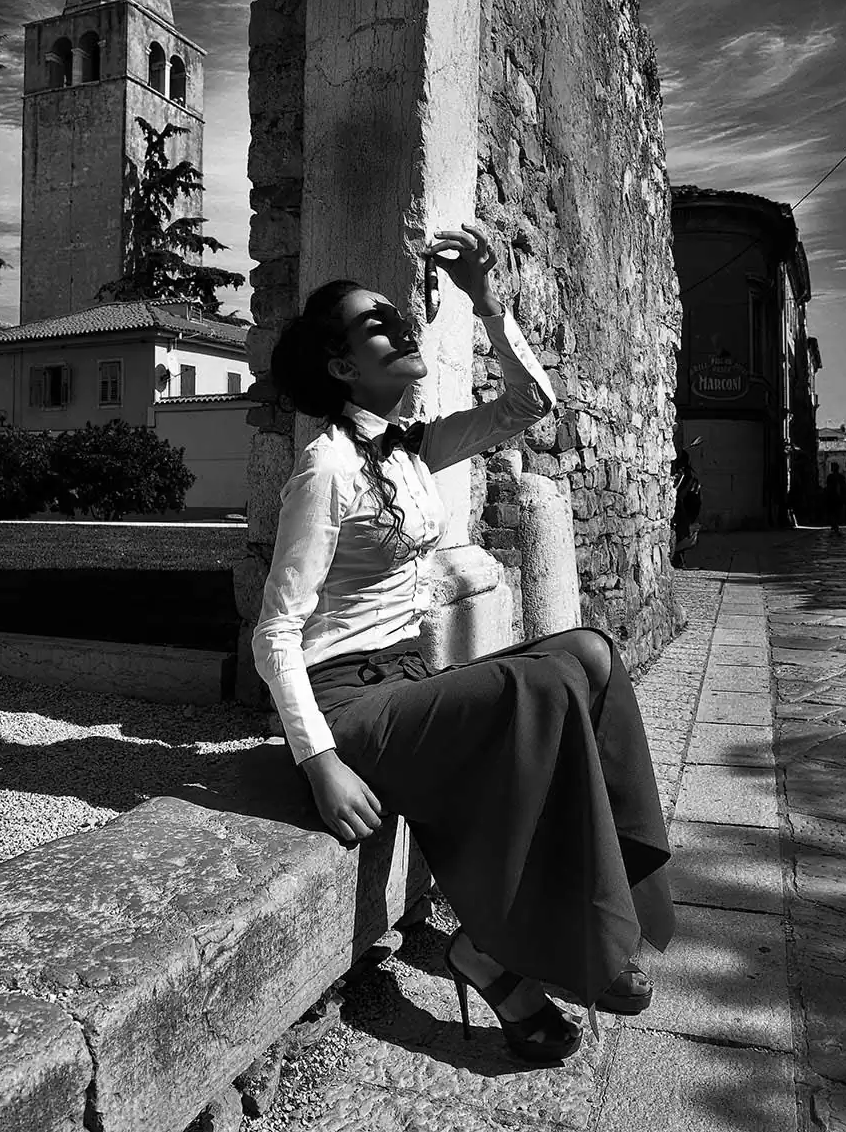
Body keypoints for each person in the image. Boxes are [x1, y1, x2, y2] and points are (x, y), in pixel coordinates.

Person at [253, 224, 674, 1065]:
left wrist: (486, 301)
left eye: (400, 314)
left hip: (411, 679)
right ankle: (528, 947)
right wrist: (319, 761)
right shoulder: (325, 468)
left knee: (590, 654)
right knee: (542, 687)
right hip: (352, 705)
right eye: (378, 324)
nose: (402, 326)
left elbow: (530, 406)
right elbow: (275, 629)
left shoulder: (412, 447)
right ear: (342, 366)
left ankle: (588, 911)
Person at [670, 450, 702, 569]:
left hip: (685, 515)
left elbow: (693, 502)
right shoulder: (682, 477)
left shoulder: (688, 479)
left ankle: (678, 556)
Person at [826, 461, 846, 534]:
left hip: (832, 497)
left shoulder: (830, 477)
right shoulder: (841, 477)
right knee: (836, 512)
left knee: (833, 512)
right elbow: (844, 487)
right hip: (837, 497)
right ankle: (835, 525)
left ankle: (834, 525)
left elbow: (828, 488)